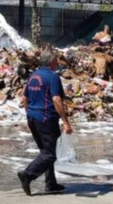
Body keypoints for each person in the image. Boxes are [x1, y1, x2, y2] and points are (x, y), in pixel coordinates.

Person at [17, 49, 73, 196]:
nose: (57, 63)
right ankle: (27, 175)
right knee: (49, 155)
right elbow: (56, 99)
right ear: (51, 62)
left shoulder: (33, 76)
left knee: (45, 151)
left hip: (33, 118)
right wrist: (66, 122)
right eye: (56, 61)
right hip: (46, 118)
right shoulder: (52, 77)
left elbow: (24, 99)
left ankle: (51, 183)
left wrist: (29, 114)